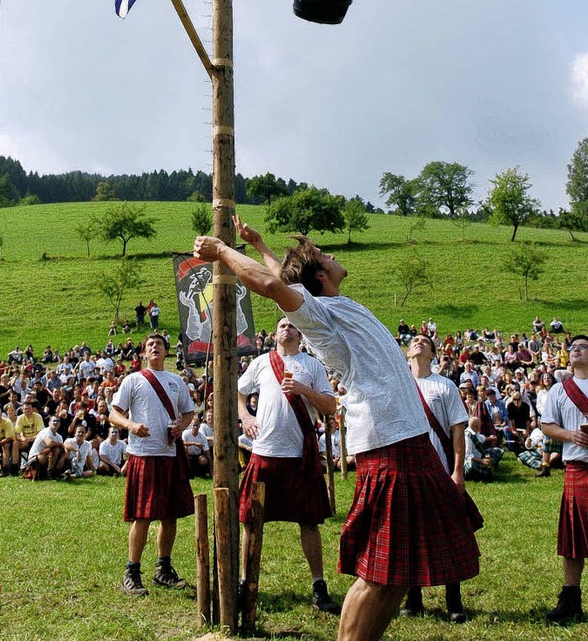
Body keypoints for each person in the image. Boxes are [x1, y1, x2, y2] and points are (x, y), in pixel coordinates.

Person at [193, 219, 480, 641]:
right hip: (389, 445)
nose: (333, 255)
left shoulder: (331, 304)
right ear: (323, 275)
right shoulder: (320, 313)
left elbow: (284, 279)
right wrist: (221, 251)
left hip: (407, 440)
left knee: (399, 574)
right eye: (326, 256)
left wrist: (259, 243)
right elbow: (274, 288)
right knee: (377, 574)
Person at [237, 316, 340, 614]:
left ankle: (319, 586)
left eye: (292, 325)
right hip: (265, 452)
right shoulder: (260, 362)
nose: (287, 328)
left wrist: (303, 390)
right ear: (275, 333)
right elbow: (240, 392)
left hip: (299, 455)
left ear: (300, 332)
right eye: (282, 325)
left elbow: (330, 407)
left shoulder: (312, 365)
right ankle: (246, 581)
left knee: (309, 521)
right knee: (251, 519)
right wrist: (245, 416)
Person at [402, 333, 479, 623]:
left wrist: (458, 470)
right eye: (414, 341)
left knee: (447, 534)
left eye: (425, 341)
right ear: (408, 353)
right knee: (410, 534)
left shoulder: (444, 385)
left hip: (440, 469)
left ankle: (454, 601)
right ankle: (413, 598)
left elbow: (458, 430)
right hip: (407, 470)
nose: (419, 342)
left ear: (434, 354)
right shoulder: (398, 384)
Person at [110, 332, 194, 597]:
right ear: (144, 353)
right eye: (150, 345)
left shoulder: (176, 381)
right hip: (144, 454)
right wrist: (131, 425)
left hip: (170, 453)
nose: (155, 347)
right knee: (143, 516)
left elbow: (189, 411)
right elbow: (114, 413)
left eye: (159, 344)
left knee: (170, 516)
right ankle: (131, 572)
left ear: (167, 351)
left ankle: (163, 569)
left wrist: (182, 424)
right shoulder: (134, 380)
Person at [541, 334, 588, 624]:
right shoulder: (560, 389)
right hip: (577, 467)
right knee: (573, 539)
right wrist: (570, 435)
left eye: (582, 347)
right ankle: (570, 599)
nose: (576, 351)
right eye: (572, 348)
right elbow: (546, 425)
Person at [27, 415, 67, 480]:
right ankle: (49, 474)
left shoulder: (59, 437)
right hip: (35, 458)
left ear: (59, 424)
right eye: (54, 421)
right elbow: (50, 443)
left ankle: (57, 473)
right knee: (55, 450)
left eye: (58, 421)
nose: (56, 422)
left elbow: (62, 450)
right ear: (49, 423)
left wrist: (63, 457)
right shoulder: (45, 431)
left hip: (47, 458)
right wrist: (60, 444)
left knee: (62, 453)